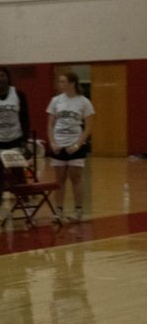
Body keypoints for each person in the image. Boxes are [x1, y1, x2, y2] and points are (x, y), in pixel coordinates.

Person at [47, 72, 95, 223]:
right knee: (59, 180)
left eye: (63, 81)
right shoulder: (55, 101)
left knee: (76, 179)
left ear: (72, 83)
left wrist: (77, 145)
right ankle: (58, 211)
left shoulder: (84, 102)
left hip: (75, 145)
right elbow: (50, 124)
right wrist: (52, 142)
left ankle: (78, 210)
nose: (60, 84)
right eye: (60, 82)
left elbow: (88, 128)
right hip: (59, 145)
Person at [0, 66, 30, 151]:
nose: (0, 79)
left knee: (15, 164)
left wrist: (25, 139)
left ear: (8, 77)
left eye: (2, 75)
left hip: (16, 139)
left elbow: (24, 118)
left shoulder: (19, 94)